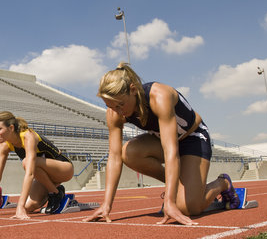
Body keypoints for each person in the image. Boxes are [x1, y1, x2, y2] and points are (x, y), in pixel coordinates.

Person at [83, 62, 240, 225]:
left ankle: (223, 183)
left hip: (193, 138)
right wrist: (106, 205)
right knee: (128, 152)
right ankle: (178, 189)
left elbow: (171, 151)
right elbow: (114, 157)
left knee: (189, 208)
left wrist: (170, 202)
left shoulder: (159, 96)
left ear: (133, 90)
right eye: (110, 106)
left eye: (120, 104)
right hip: (163, 141)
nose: (117, 111)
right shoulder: (114, 112)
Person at [0, 111, 74, 220]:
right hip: (44, 176)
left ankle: (54, 194)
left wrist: (19, 207)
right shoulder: (4, 146)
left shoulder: (28, 136)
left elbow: (30, 173)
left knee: (27, 162)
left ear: (11, 128)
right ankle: (55, 191)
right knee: (29, 207)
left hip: (64, 168)